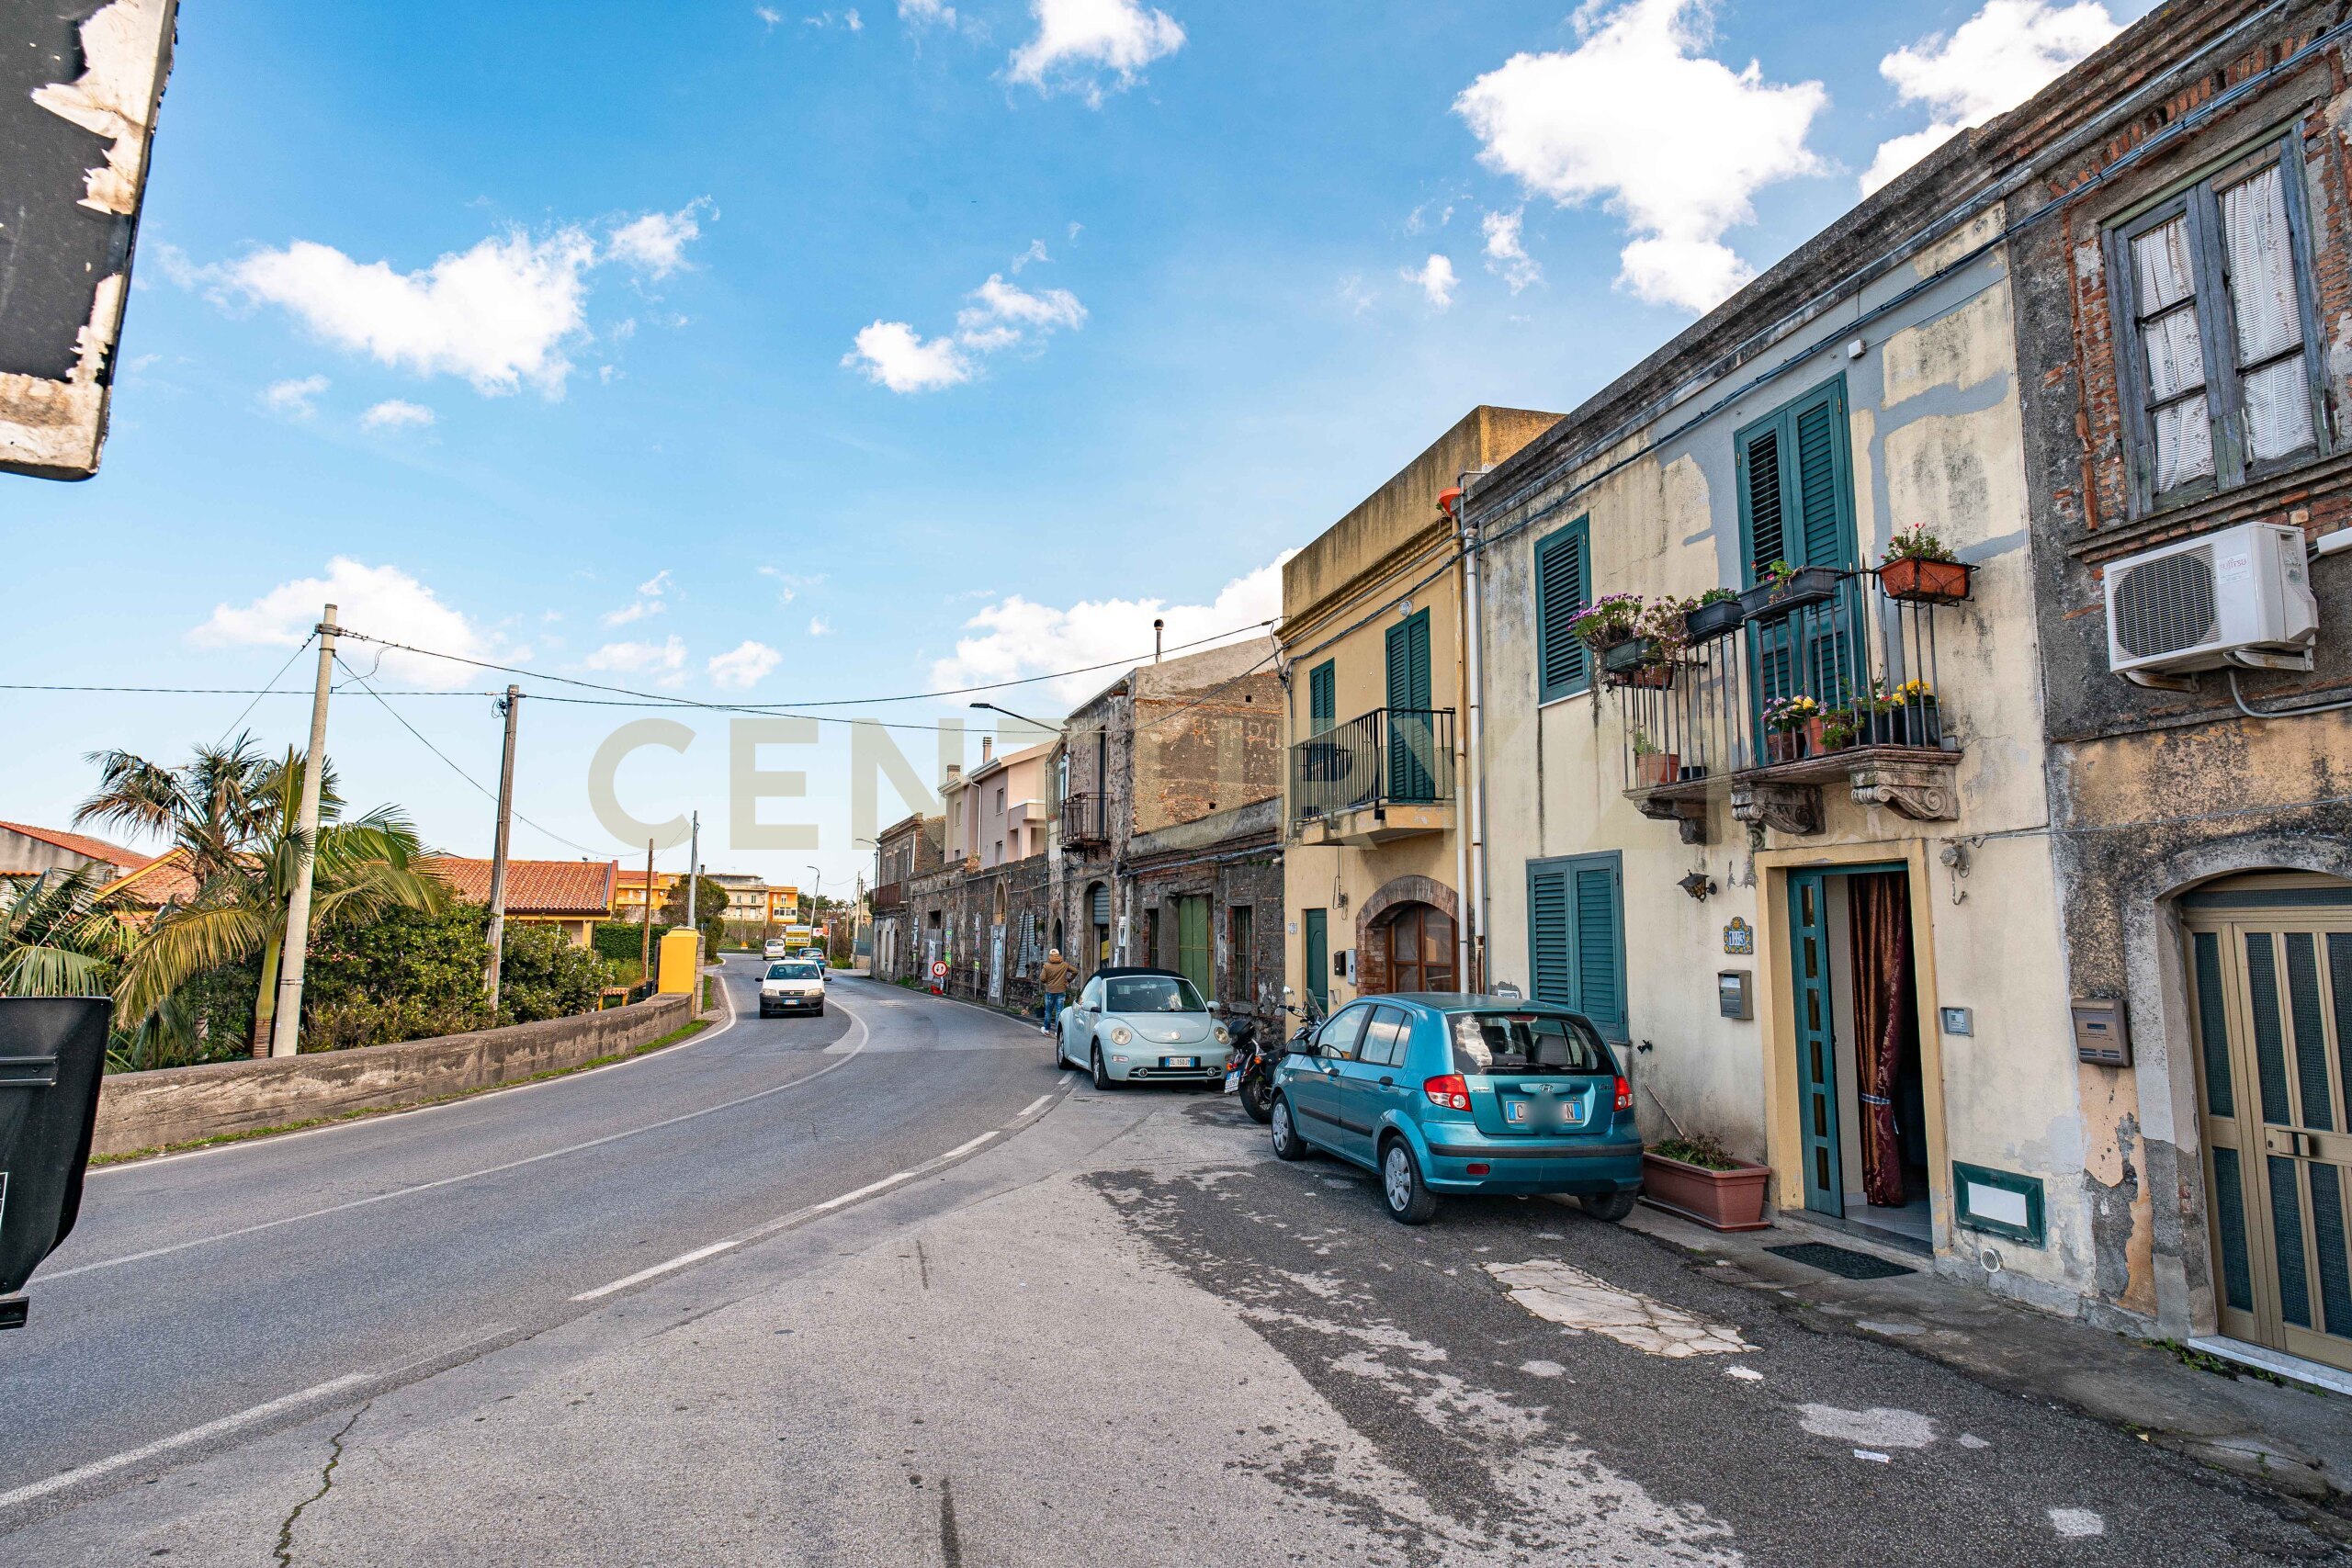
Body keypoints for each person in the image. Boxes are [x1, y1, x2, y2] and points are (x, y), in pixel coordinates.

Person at [1038, 948, 1076, 1035]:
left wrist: (1047, 982)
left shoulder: (1046, 966)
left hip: (1050, 991)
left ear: (1050, 956)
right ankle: (1057, 1031)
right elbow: (1075, 971)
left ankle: (1047, 1029)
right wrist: (1068, 980)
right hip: (1061, 991)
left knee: (1048, 1011)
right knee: (1059, 1012)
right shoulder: (1064, 965)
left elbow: (1042, 978)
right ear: (1059, 955)